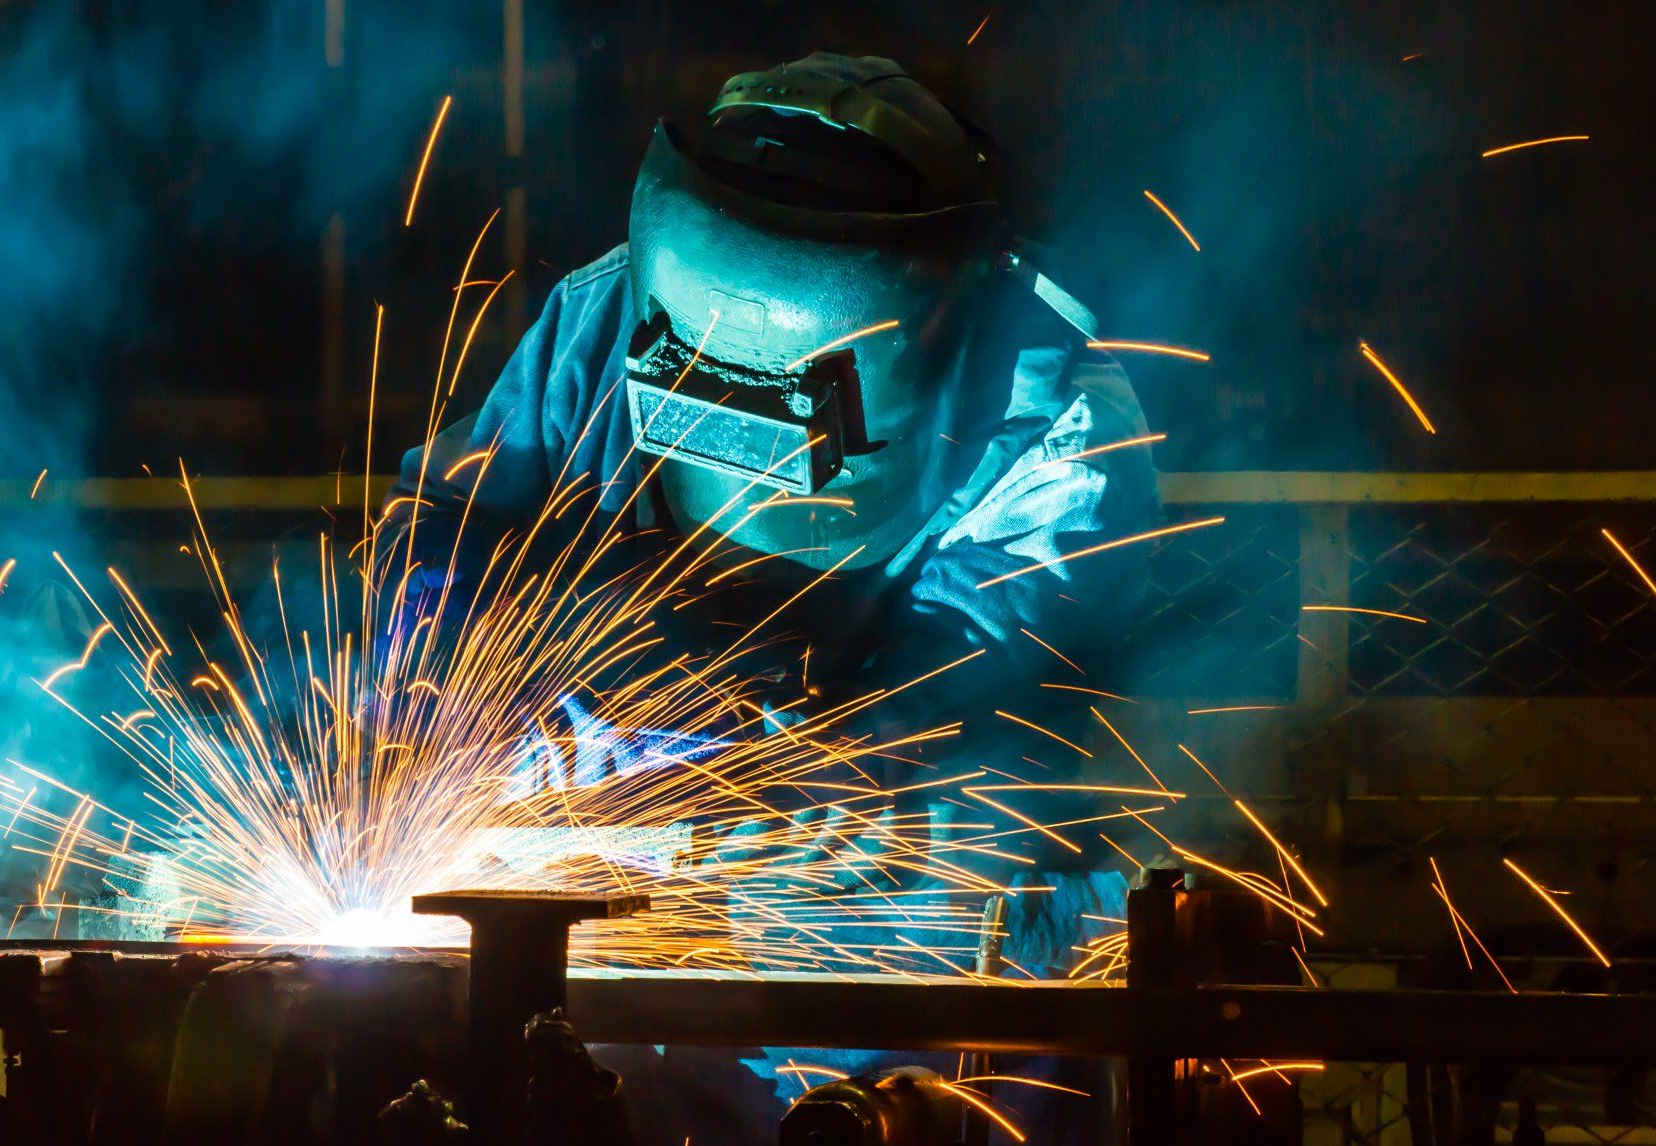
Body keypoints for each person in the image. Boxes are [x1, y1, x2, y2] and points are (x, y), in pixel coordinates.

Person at [383, 52, 1156, 1139]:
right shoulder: (602, 321)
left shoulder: (1054, 416)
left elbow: (988, 685)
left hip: (920, 959)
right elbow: (450, 523)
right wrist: (434, 682)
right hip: (632, 943)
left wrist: (736, 758)